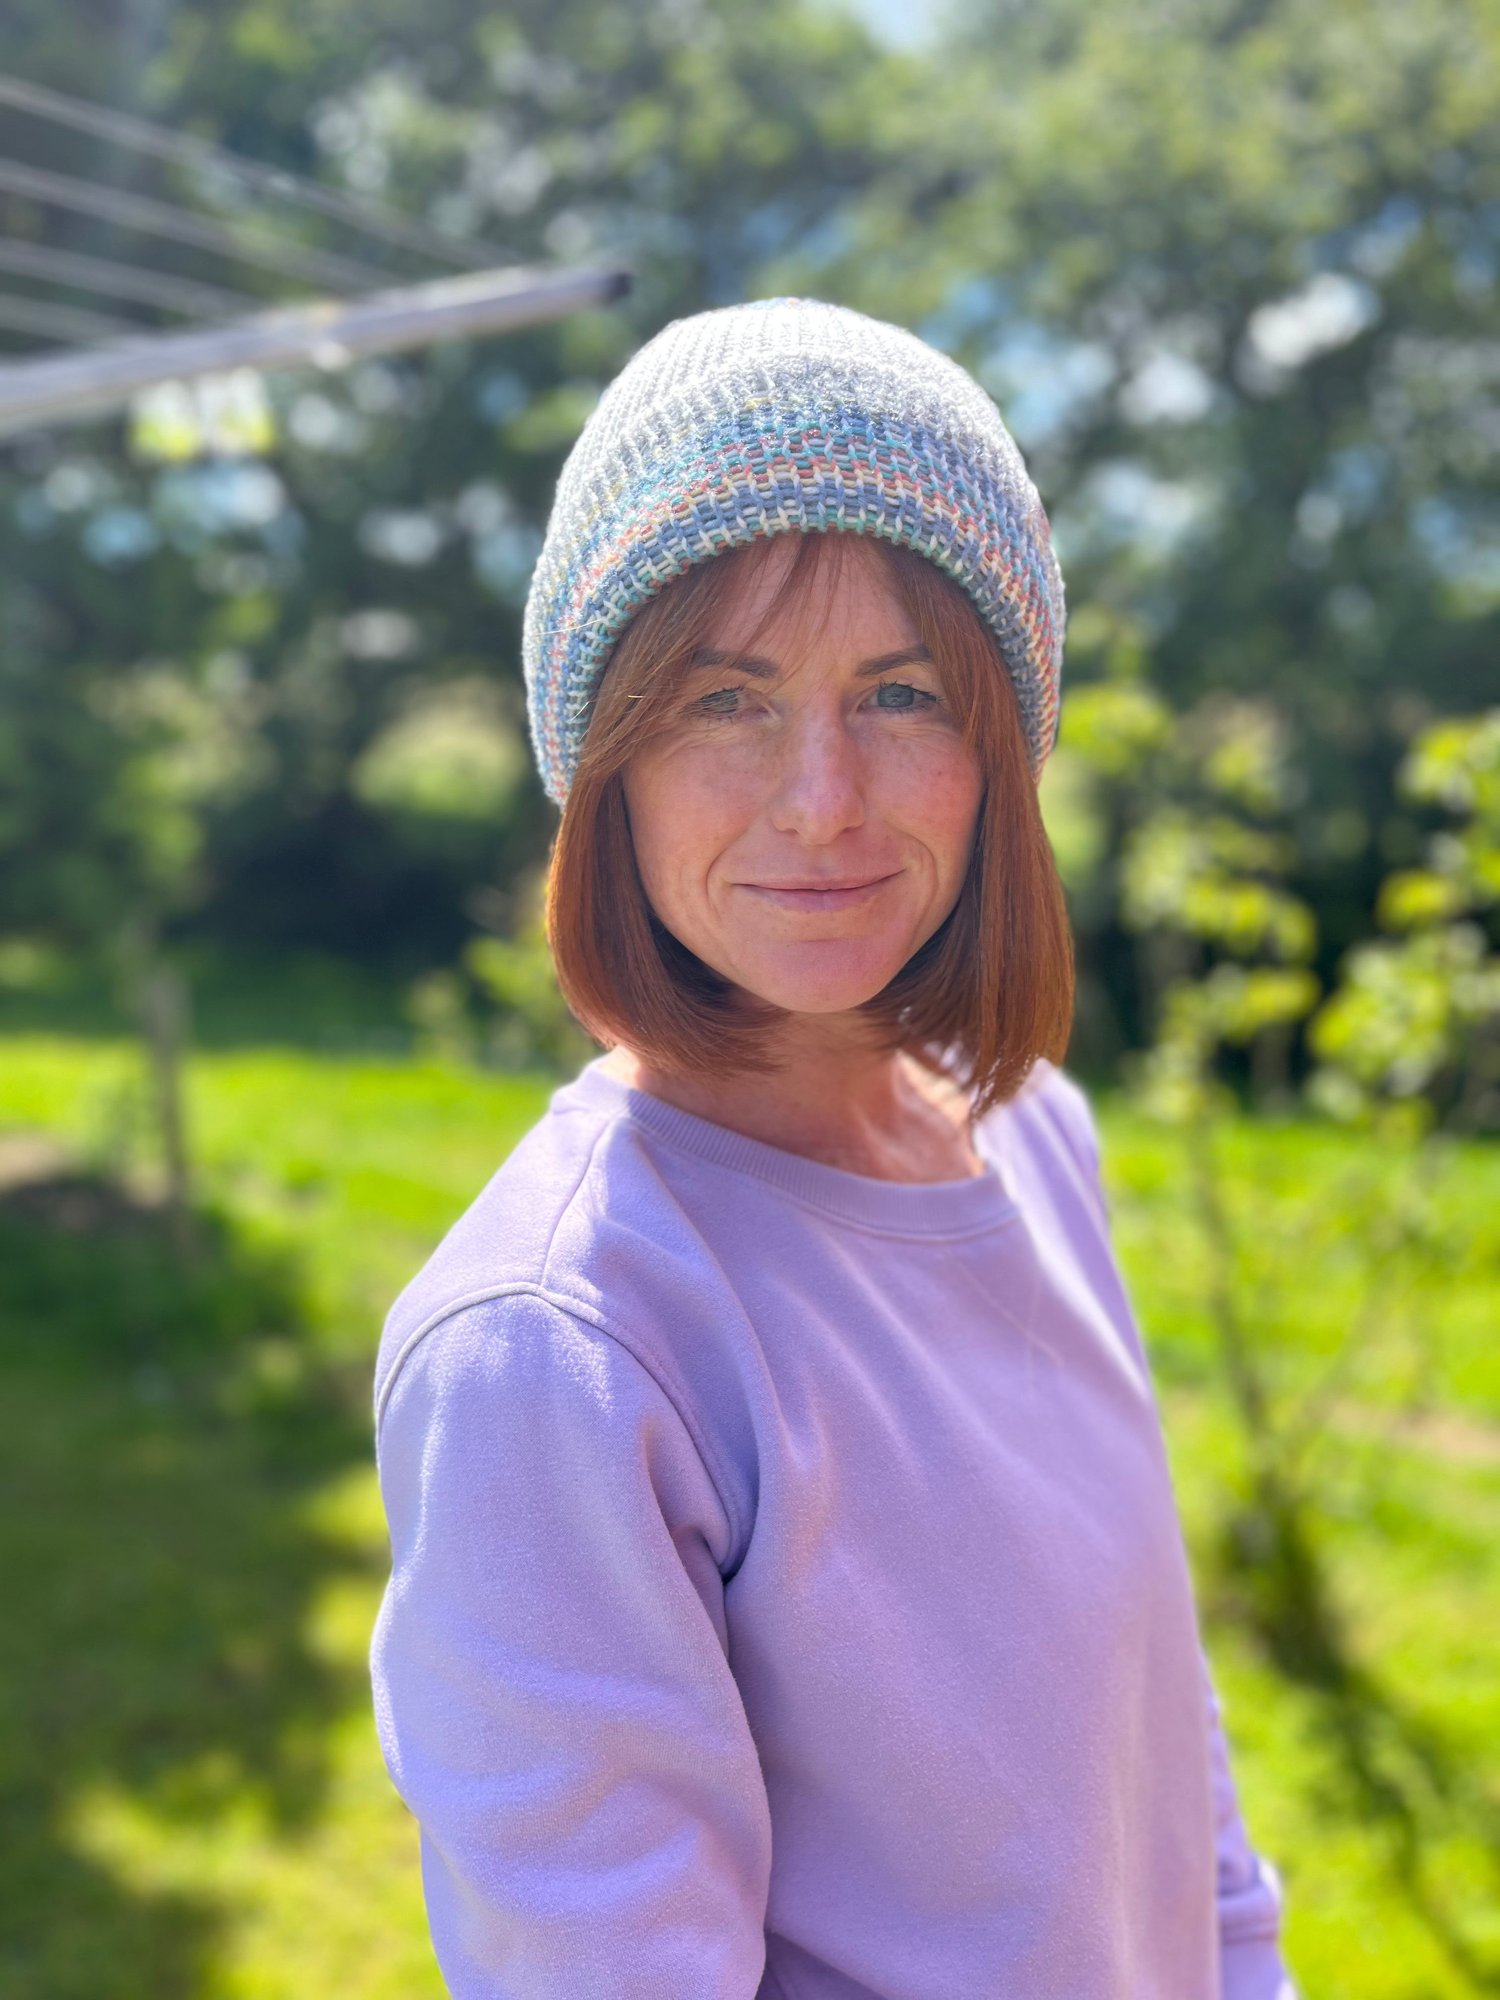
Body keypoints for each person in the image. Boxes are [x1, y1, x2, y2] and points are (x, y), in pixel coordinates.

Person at [369, 297, 1297, 1998]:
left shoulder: (1032, 1136)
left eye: (903, 692)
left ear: (1002, 750)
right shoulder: (555, 1353)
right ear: (605, 763)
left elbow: (1157, 1736)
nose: (822, 797)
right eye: (725, 698)